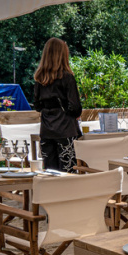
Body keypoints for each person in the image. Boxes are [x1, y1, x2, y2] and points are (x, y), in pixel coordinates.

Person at [33, 37, 82, 173]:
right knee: (68, 172)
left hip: (46, 130)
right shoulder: (67, 77)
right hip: (65, 130)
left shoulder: (39, 80)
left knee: (50, 172)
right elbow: (75, 108)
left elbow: (37, 106)